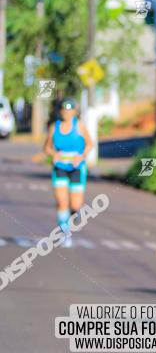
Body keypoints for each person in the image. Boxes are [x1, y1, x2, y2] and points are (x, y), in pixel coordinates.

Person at [43, 98, 94, 244]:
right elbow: (46, 148)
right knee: (61, 202)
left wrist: (81, 156)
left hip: (76, 168)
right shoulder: (54, 127)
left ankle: (72, 218)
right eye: (64, 110)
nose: (66, 112)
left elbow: (90, 144)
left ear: (75, 112)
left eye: (70, 110)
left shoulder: (79, 126)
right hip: (60, 167)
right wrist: (54, 154)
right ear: (60, 112)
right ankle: (65, 234)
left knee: (76, 205)